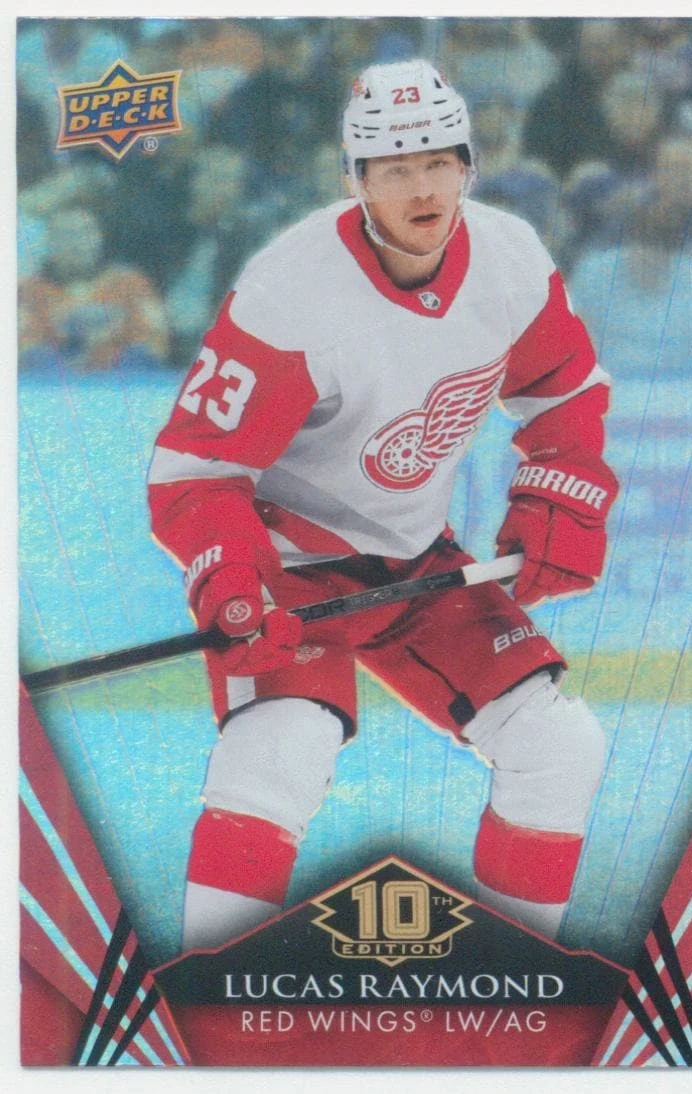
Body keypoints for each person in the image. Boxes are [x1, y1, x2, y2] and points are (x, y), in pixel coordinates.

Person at [148, 60, 618, 952]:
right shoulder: (290, 293)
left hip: (415, 560)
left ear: (468, 166)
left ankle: (515, 980)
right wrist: (232, 579)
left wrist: (560, 492)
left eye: (438, 162)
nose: (422, 188)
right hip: (289, 569)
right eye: (395, 169)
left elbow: (563, 394)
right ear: (355, 181)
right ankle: (201, 999)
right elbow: (194, 473)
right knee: (278, 752)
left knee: (560, 749)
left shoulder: (510, 258)